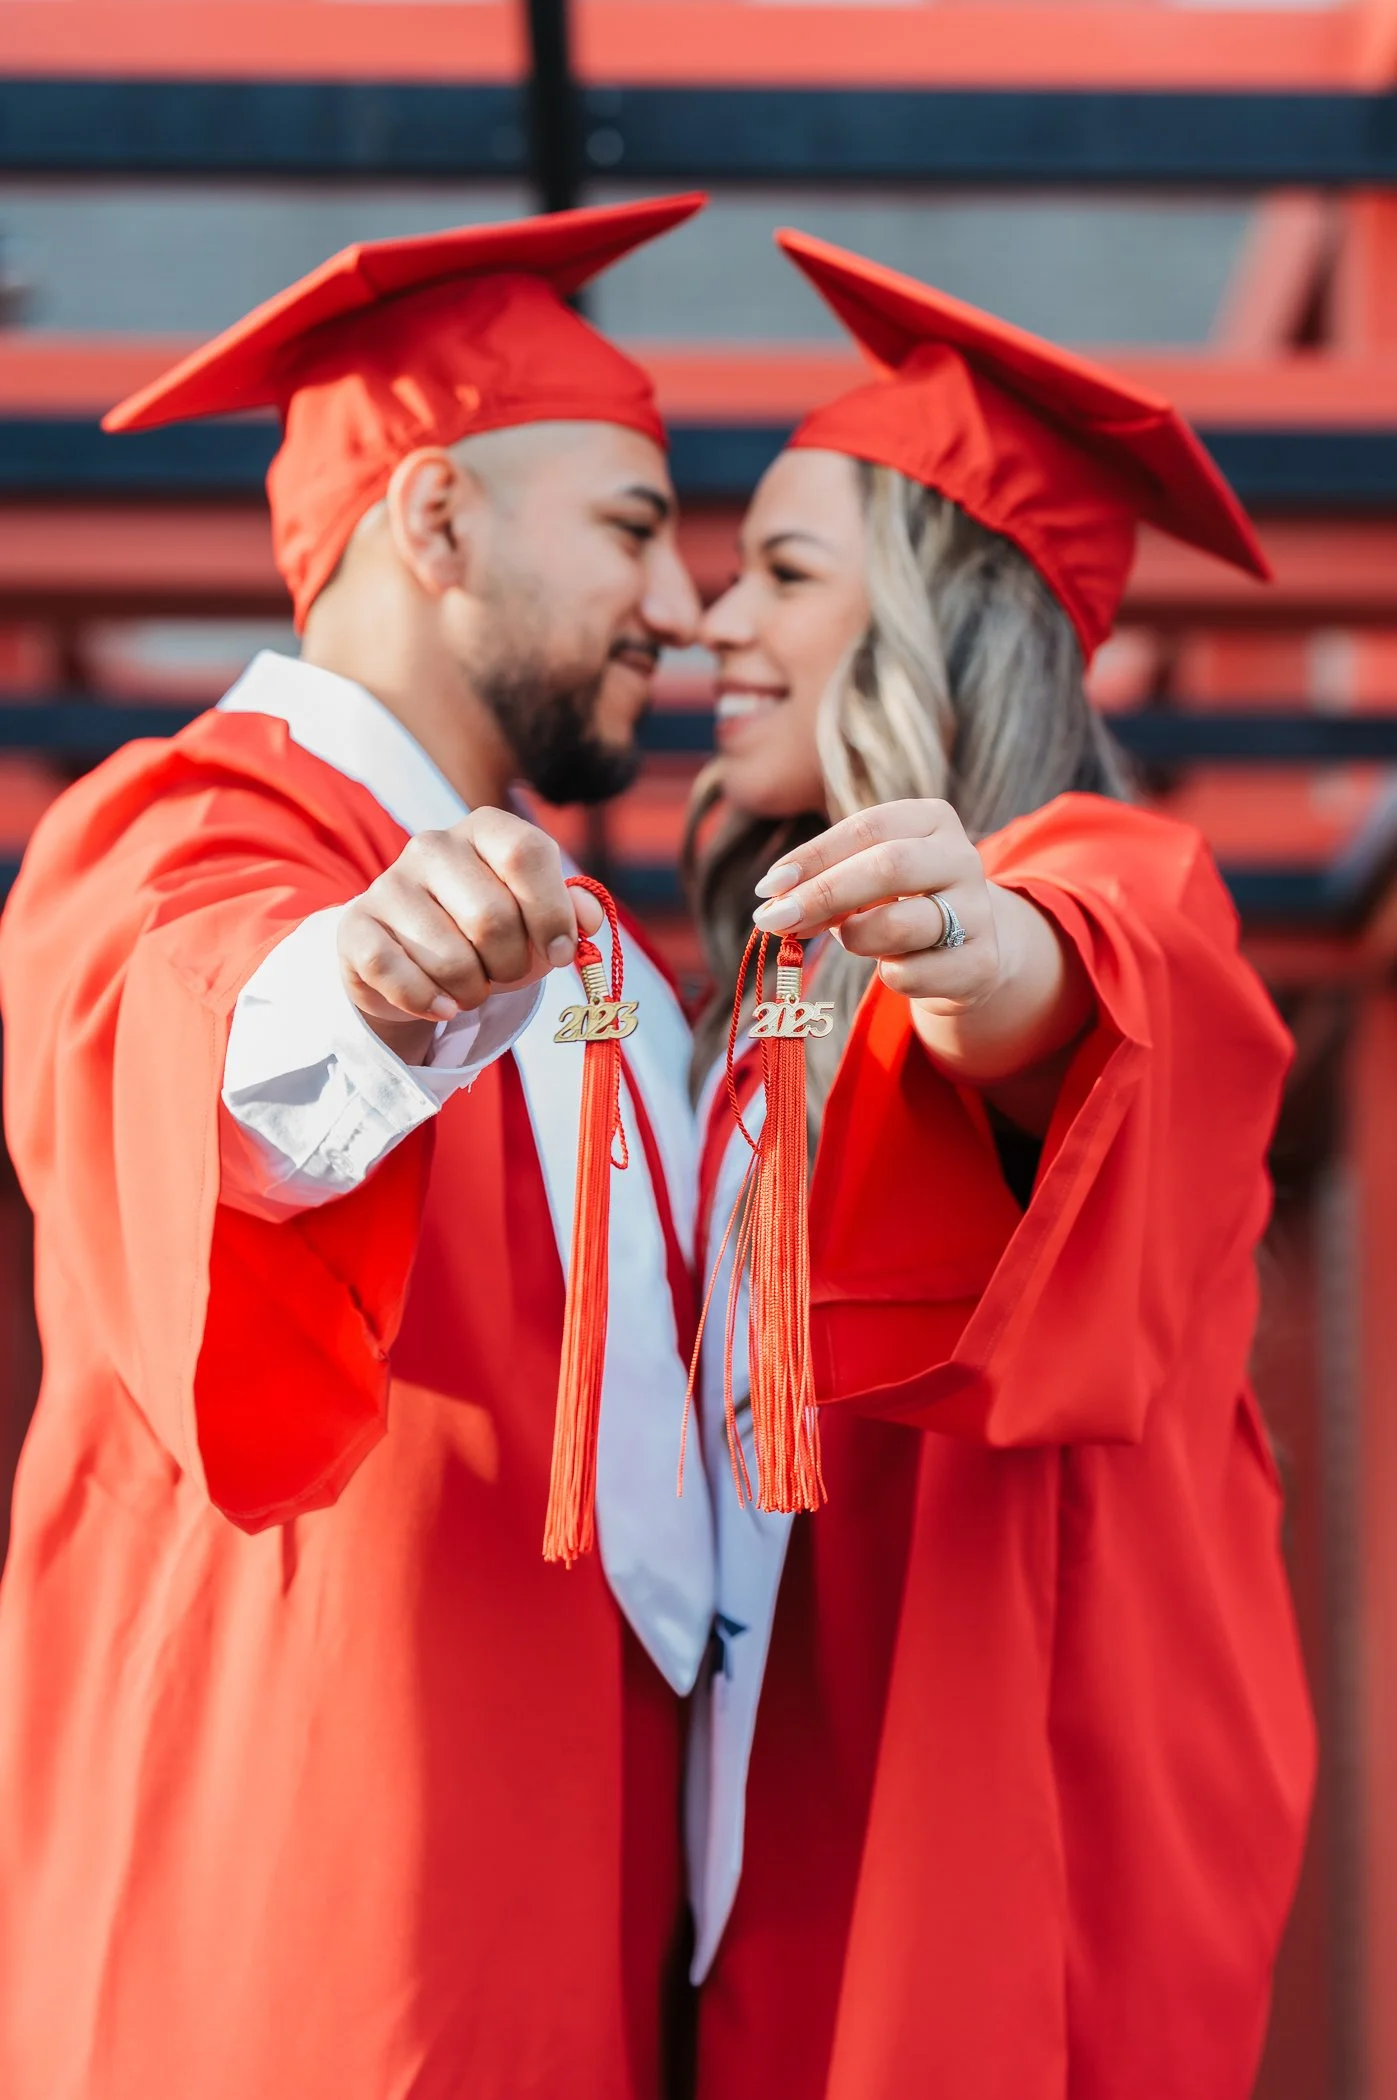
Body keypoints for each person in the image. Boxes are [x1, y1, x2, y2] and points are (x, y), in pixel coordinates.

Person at [0, 196, 717, 2100]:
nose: (686, 606)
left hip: (576, 1882)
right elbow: (200, 1025)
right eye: (635, 530)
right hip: (312, 1894)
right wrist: (362, 997)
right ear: (436, 518)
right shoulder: (189, 828)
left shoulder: (602, 957)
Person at [683, 231, 1316, 2100]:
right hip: (807, 1772)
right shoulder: (769, 991)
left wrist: (972, 952)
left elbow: (1066, 995)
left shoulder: (1122, 880)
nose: (715, 626)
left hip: (1026, 1791)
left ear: (931, 624)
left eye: (785, 575)